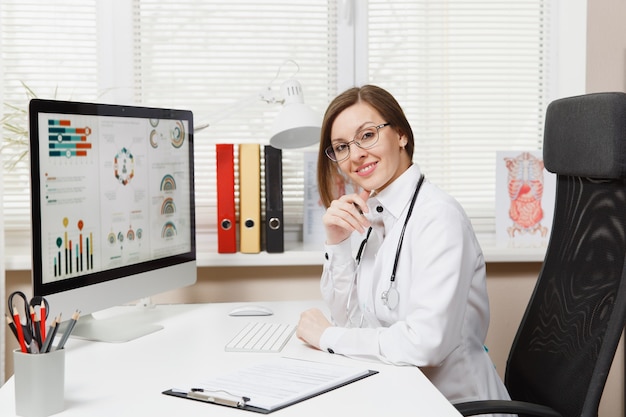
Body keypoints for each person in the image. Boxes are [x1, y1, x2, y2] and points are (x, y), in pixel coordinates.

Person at [296, 85, 512, 406]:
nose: (355, 155)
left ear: (400, 134)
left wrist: (326, 336)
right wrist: (338, 243)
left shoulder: (438, 217)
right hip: (402, 393)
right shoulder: (375, 215)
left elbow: (425, 345)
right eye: (341, 147)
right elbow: (351, 322)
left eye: (367, 135)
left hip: (456, 404)